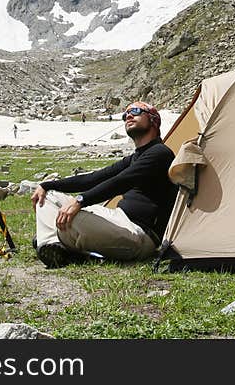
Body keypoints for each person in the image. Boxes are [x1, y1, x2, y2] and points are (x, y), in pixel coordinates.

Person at [31, 101, 177, 268]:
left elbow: (121, 182)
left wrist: (80, 200)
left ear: (153, 120)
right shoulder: (134, 158)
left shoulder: (160, 153)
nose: (128, 116)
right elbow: (94, 178)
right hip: (118, 219)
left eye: (136, 111)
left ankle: (55, 239)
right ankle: (52, 245)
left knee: (72, 218)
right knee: (50, 196)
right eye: (125, 114)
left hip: (140, 234)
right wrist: (47, 184)